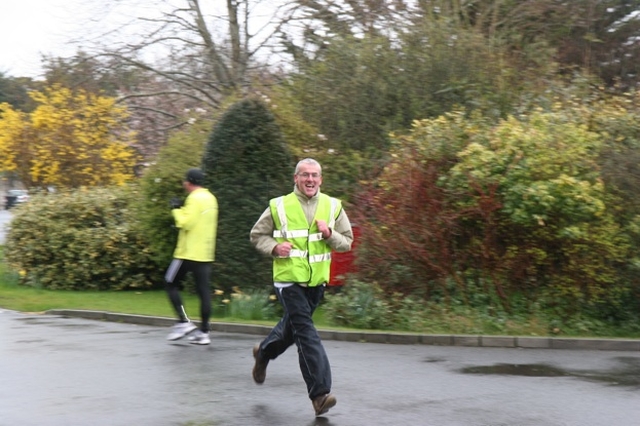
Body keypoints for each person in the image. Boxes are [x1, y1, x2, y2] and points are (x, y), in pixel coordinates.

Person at [249, 158, 353, 416]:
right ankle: (320, 395)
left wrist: (330, 234)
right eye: (305, 175)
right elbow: (257, 235)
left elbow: (347, 242)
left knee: (291, 329)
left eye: (314, 175)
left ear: (321, 179)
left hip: (316, 283)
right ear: (295, 178)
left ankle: (263, 353)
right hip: (288, 281)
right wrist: (274, 247)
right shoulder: (279, 205)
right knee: (306, 332)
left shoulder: (333, 206)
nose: (310, 179)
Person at [165, 168, 218, 345]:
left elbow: (184, 223)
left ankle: (183, 322)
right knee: (204, 293)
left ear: (188, 182)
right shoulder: (211, 198)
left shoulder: (194, 198)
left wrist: (175, 209)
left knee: (170, 283)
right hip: (205, 253)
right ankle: (204, 333)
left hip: (187, 253)